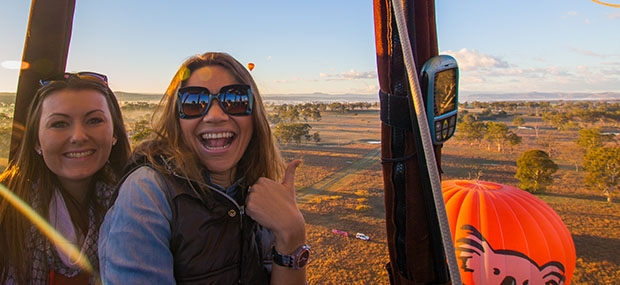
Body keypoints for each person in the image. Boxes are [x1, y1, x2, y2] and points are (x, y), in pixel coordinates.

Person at [98, 52, 309, 284]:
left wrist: (292, 235)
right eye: (193, 103)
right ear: (176, 119)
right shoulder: (148, 192)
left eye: (236, 100)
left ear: (254, 114)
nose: (215, 115)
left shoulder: (257, 189)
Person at [0, 72, 131, 284]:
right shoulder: (6, 210)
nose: (78, 136)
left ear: (115, 133)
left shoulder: (137, 205)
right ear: (36, 142)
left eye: (94, 120)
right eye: (59, 124)